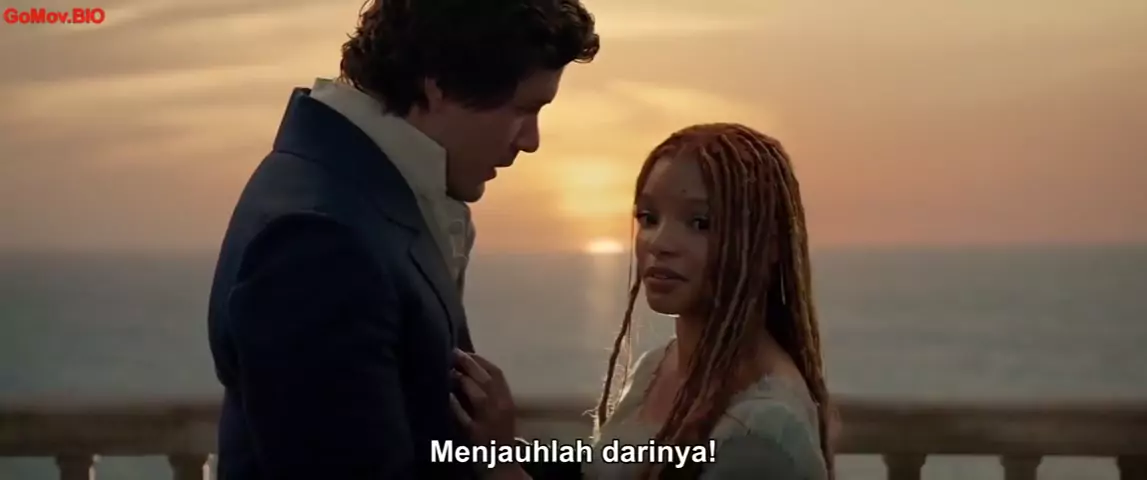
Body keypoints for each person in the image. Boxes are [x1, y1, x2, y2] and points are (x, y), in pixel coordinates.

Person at [205, 0, 599, 478]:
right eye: (523, 109)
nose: (530, 140)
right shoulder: (321, 243)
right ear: (441, 84)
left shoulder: (359, 190)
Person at [452, 123, 835, 479]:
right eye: (649, 218)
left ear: (769, 245)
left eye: (700, 223)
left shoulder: (763, 432)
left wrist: (499, 468)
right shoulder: (657, 367)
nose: (660, 243)